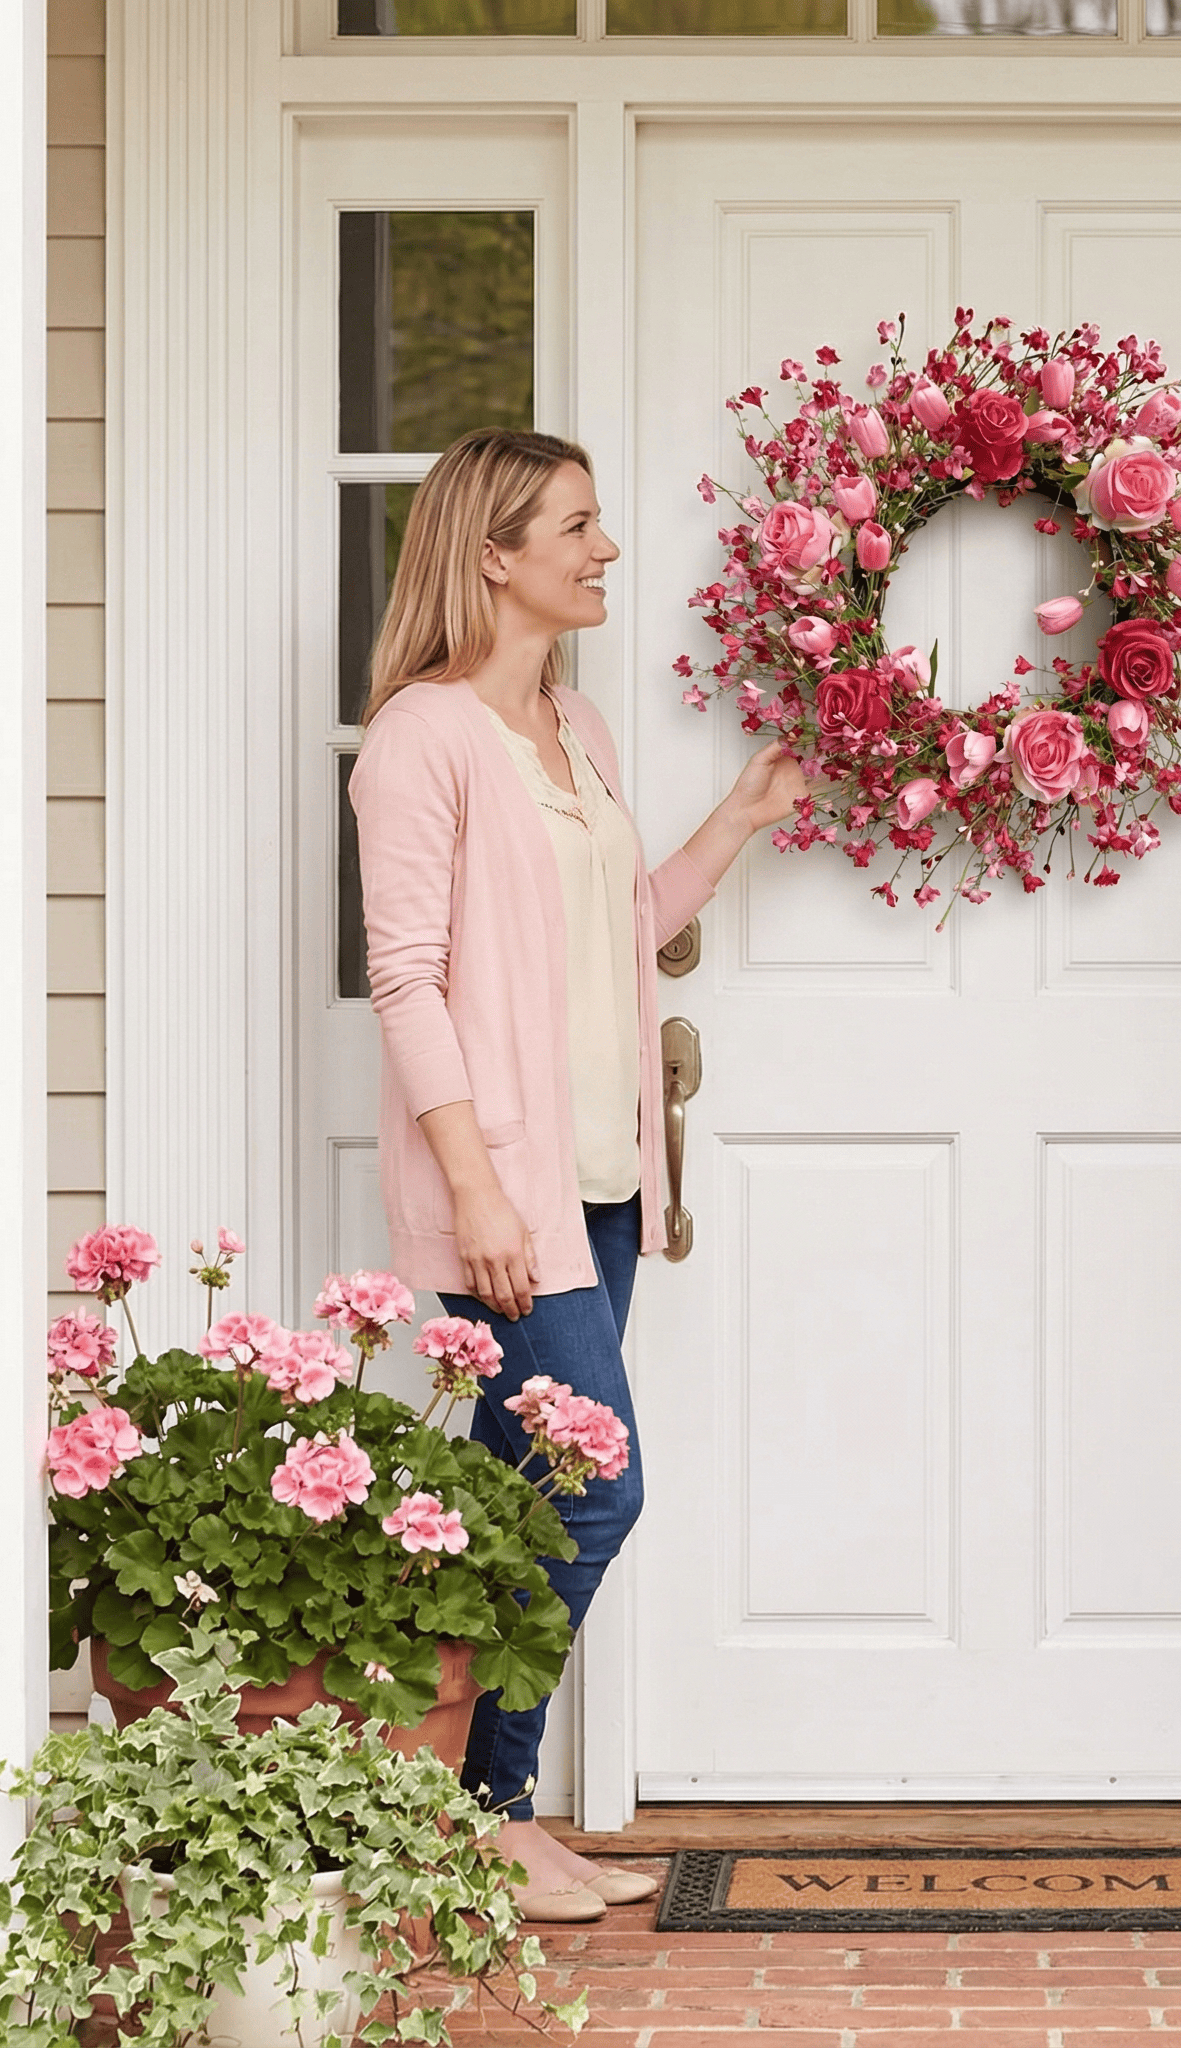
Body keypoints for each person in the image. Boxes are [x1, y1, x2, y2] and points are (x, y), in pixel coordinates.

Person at [352, 428, 803, 1921]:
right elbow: (407, 982)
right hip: (511, 1199)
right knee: (588, 1490)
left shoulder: (578, 725)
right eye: (579, 525)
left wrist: (732, 824)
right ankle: (474, 1816)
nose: (607, 549)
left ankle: (469, 1809)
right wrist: (476, 1190)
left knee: (519, 1501)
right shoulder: (425, 739)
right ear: (495, 554)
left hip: (603, 1184)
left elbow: (619, 927)